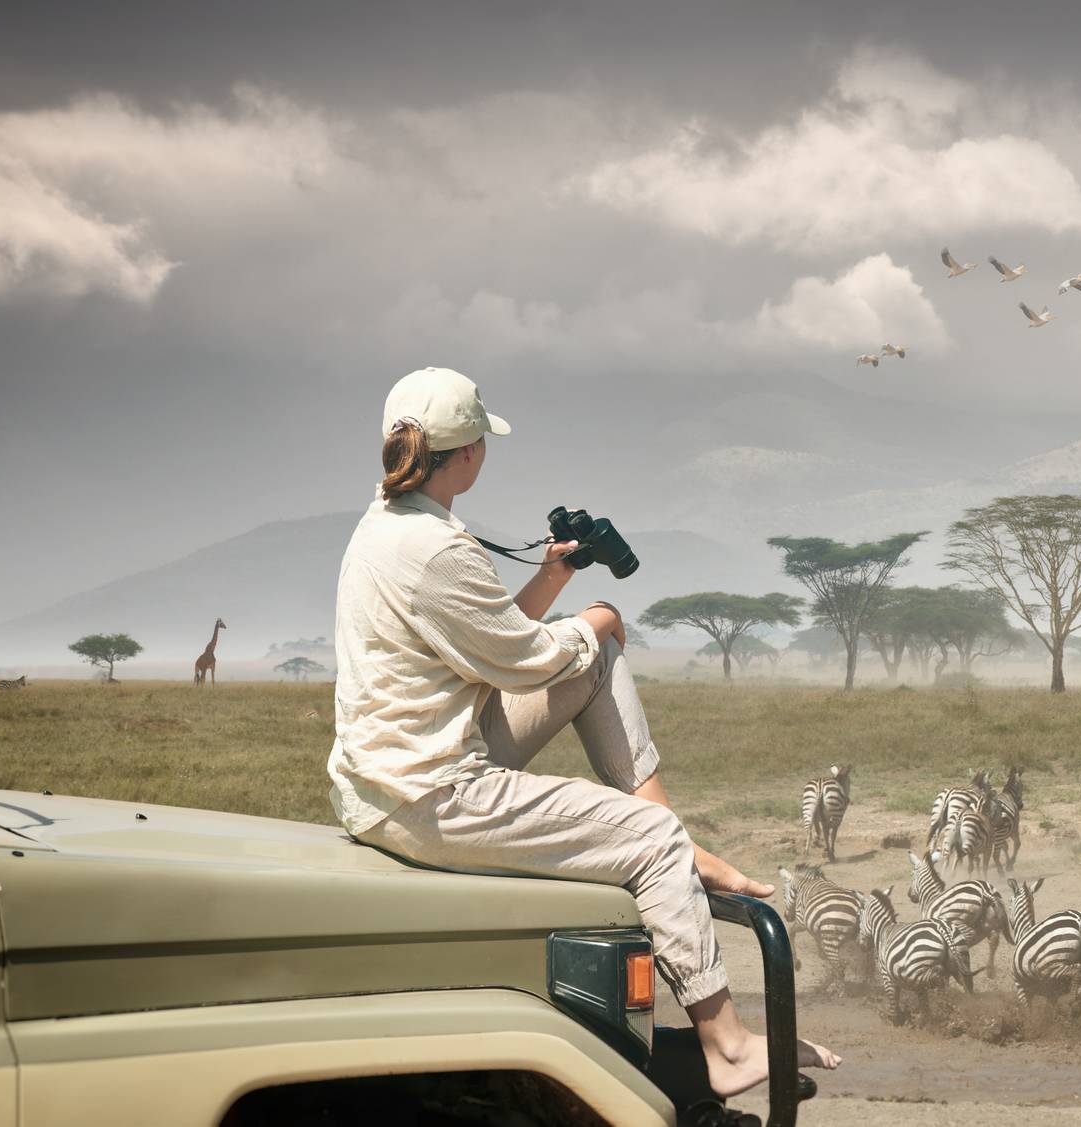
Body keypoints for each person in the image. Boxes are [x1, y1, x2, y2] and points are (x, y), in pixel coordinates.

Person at [326, 366, 840, 1098]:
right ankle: (724, 1036)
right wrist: (595, 619)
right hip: (434, 791)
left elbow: (487, 639)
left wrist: (553, 579)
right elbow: (523, 661)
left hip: (388, 774)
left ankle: (663, 831)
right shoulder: (441, 550)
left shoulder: (387, 526)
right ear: (469, 453)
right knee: (640, 803)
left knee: (592, 659)